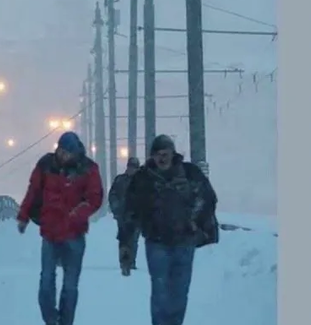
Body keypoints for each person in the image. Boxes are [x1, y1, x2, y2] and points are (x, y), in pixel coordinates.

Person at [118, 135, 219, 325]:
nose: (162, 159)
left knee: (180, 293)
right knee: (160, 291)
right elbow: (130, 212)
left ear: (173, 154)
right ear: (152, 157)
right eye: (158, 155)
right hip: (156, 243)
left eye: (165, 154)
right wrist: (125, 245)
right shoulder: (143, 178)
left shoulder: (190, 173)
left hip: (185, 242)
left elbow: (208, 199)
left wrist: (195, 222)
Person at [16, 131, 104, 325]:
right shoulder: (46, 164)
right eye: (61, 151)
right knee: (46, 283)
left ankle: (65, 322)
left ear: (75, 152)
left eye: (67, 152)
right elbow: (33, 190)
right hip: (50, 232)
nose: (62, 156)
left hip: (74, 233)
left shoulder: (88, 168)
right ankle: (51, 319)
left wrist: (77, 213)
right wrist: (23, 215)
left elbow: (95, 198)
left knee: (70, 286)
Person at [108, 156, 142, 272]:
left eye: (134, 167)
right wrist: (116, 208)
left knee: (134, 239)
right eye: (131, 167)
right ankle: (124, 262)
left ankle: (131, 261)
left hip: (136, 215)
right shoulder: (120, 180)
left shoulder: (142, 182)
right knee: (123, 239)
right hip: (122, 214)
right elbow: (112, 195)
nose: (132, 169)